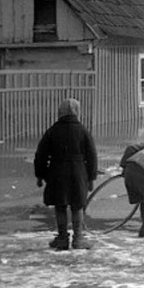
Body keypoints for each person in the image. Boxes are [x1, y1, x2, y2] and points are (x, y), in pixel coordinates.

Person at [34, 98, 98, 250]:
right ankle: (78, 238)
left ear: (60, 112)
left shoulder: (52, 131)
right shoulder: (83, 131)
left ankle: (62, 238)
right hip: (78, 173)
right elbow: (92, 156)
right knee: (77, 205)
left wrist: (40, 175)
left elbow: (40, 155)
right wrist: (91, 178)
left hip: (57, 172)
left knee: (60, 205)